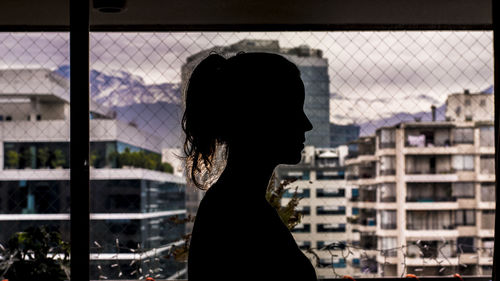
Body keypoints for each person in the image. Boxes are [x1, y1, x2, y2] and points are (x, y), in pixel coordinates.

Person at [183, 52, 316, 281]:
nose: (307, 124)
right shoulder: (240, 215)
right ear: (260, 116)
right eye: (293, 110)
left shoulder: (229, 206)